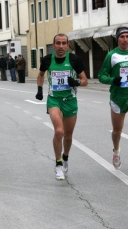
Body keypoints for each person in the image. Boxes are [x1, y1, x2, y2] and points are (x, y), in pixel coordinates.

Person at [36, 33, 88, 180]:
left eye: (63, 43)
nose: (60, 46)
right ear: (53, 46)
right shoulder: (47, 60)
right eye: (57, 43)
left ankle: (65, 157)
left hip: (70, 100)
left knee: (68, 135)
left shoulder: (74, 59)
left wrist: (76, 82)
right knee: (59, 131)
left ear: (67, 45)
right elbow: (40, 75)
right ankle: (58, 164)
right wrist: (40, 90)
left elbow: (85, 80)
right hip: (54, 100)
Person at [98, 26, 128, 171]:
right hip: (117, 97)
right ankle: (116, 151)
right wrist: (113, 80)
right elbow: (101, 76)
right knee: (117, 131)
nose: (125, 39)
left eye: (127, 36)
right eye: (122, 37)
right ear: (117, 39)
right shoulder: (111, 56)